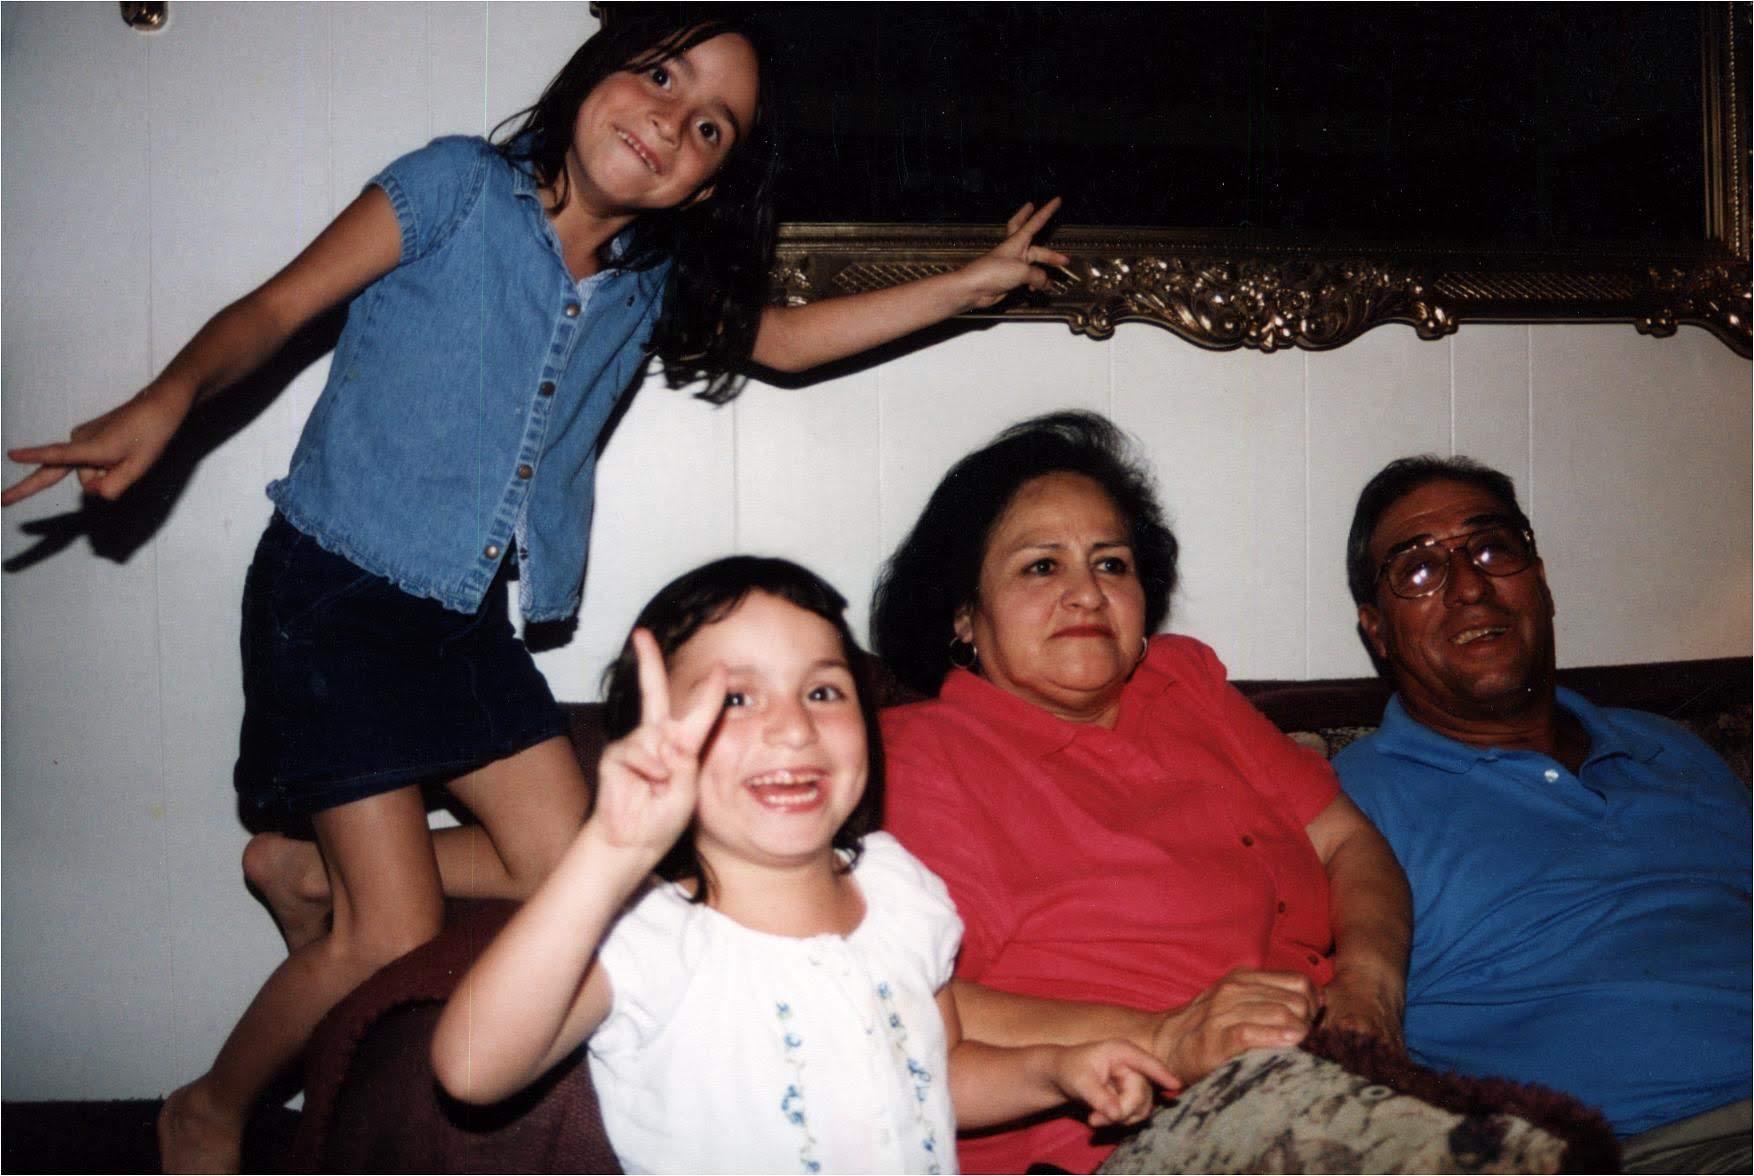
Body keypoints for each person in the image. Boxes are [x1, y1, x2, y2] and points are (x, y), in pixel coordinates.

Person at [1, 12, 1068, 1171]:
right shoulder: (456, 186)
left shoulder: (646, 281)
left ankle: (305, 868)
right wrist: (166, 398)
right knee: (391, 928)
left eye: (709, 127)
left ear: (709, 183)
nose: (670, 121)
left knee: (578, 868)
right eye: (660, 74)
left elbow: (787, 341)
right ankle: (209, 1105)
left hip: (459, 621)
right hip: (337, 595)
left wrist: (969, 285)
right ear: (598, 70)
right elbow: (276, 310)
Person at [430, 556, 1176, 1173]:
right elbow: (470, 1069)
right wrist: (607, 851)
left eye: (822, 691)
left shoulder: (900, 891)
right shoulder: (649, 938)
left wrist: (1052, 1070)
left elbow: (937, 1070)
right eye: (735, 698)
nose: (792, 727)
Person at [871, 411, 1412, 1174]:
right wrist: (1164, 1035)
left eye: (1111, 564)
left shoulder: (1184, 686)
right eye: (1041, 567)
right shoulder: (923, 756)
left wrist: (1368, 987)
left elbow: (1350, 843)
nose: (1087, 593)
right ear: (964, 613)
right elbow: (912, 1005)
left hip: (1313, 1090)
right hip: (1106, 1135)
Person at [1335, 455, 1752, 1173]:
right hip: (1647, 1148)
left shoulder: (1672, 747)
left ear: (1541, 582)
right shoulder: (1345, 804)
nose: (1470, 586)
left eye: (1492, 548)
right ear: (1378, 632)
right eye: (1419, 569)